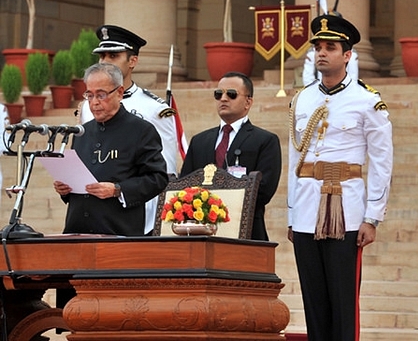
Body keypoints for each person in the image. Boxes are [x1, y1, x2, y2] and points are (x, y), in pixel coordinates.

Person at [287, 13, 393, 341]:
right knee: (314, 300)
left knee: (343, 301)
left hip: (346, 210)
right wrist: (292, 214)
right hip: (306, 209)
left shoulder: (367, 101)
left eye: (330, 47)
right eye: (318, 47)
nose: (321, 52)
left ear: (347, 55)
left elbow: (381, 161)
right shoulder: (303, 98)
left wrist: (373, 216)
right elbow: (295, 156)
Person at [79, 25, 179, 235]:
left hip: (135, 214)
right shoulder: (88, 106)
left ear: (132, 61)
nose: (105, 61)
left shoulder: (156, 108)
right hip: (93, 214)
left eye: (113, 55)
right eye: (102, 55)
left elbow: (165, 170)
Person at [54, 63, 168, 236]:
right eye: (89, 95)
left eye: (101, 95)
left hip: (118, 231)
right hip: (77, 231)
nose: (94, 103)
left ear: (120, 93)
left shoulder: (141, 130)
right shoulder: (82, 133)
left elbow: (157, 178)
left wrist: (118, 189)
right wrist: (65, 190)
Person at [180, 71, 281, 241]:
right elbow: (186, 183)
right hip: (200, 233)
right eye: (219, 94)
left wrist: (220, 205)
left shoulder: (264, 140)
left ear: (248, 102)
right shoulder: (200, 141)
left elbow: (264, 189)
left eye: (231, 94)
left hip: (246, 231)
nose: (223, 99)